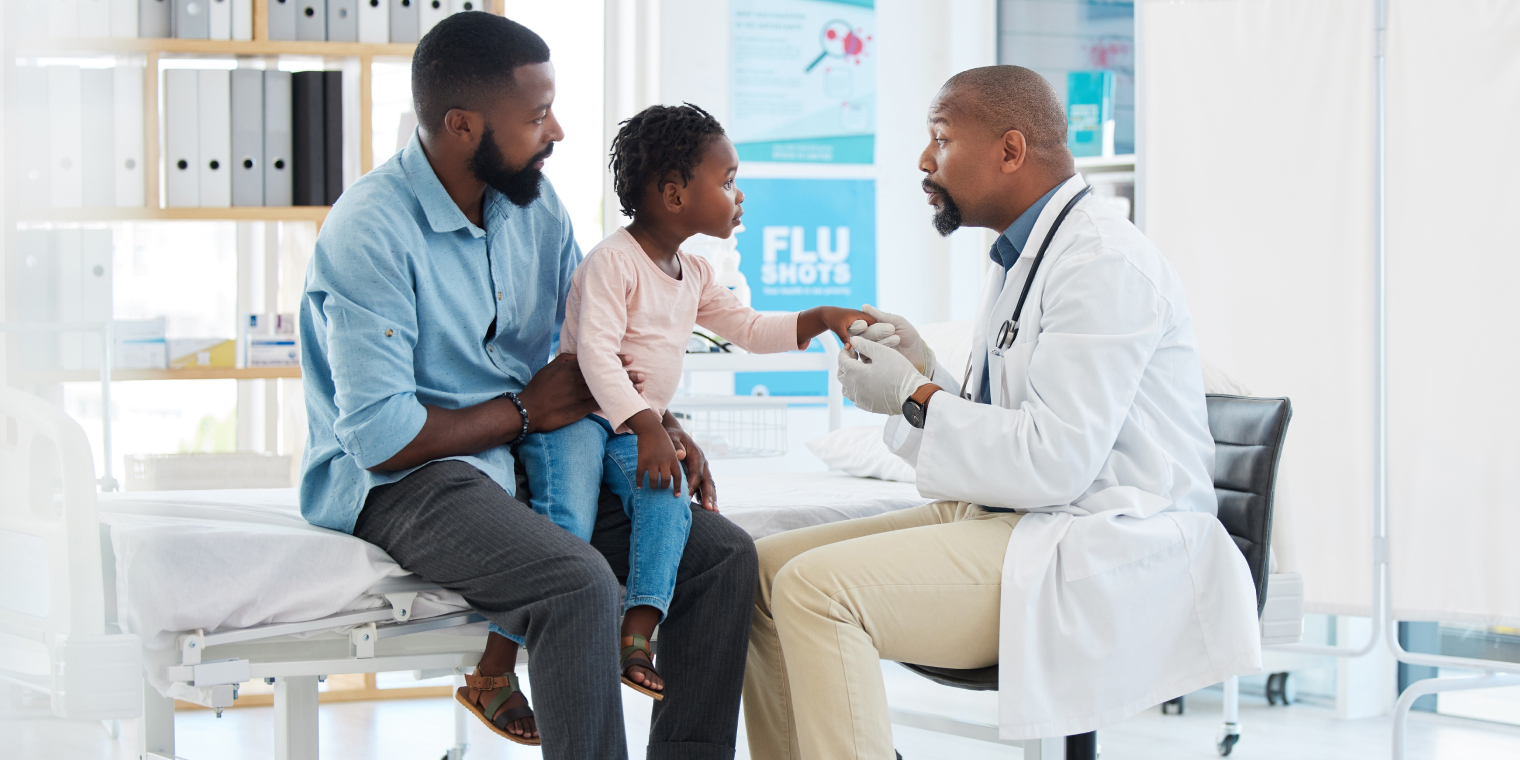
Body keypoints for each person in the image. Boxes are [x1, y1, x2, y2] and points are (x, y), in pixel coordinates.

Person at [742, 66, 1262, 759]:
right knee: (760, 571)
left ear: (1010, 150)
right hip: (1020, 514)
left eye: (941, 139)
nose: (925, 161)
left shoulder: (1104, 262)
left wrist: (914, 396)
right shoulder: (1022, 255)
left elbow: (1056, 460)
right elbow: (1008, 423)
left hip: (1096, 540)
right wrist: (927, 370)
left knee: (814, 590)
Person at [299, 13, 757, 758]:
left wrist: (655, 423)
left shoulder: (534, 208)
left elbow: (586, 349)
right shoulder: (370, 231)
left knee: (723, 557)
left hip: (531, 452)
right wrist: (522, 411)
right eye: (538, 116)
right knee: (576, 582)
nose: (559, 132)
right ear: (461, 124)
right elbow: (380, 441)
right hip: (408, 478)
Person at [510, 103, 873, 700]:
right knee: (566, 525)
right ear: (674, 195)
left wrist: (823, 315)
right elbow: (596, 358)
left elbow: (751, 328)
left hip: (629, 427)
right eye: (728, 181)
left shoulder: (695, 273)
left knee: (668, 496)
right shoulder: (611, 263)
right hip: (576, 421)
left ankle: (638, 629)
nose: (738, 195)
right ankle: (507, 650)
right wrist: (650, 426)